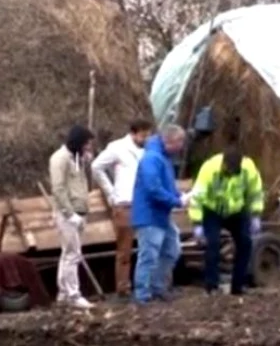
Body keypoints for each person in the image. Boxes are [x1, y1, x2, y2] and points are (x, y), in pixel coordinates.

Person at [188, 146, 264, 296]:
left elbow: (255, 193)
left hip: (236, 210)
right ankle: (211, 286)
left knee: (245, 242)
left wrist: (255, 214)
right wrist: (197, 223)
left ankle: (238, 285)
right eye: (228, 170)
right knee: (213, 244)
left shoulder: (248, 169)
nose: (230, 173)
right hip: (213, 210)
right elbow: (197, 198)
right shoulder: (210, 169)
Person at [91, 119, 153, 299]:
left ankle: (144, 285)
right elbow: (97, 166)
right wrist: (111, 191)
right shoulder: (117, 147)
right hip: (125, 201)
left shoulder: (148, 150)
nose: (145, 139)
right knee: (124, 249)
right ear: (133, 133)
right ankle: (123, 287)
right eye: (142, 135)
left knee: (147, 245)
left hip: (144, 201)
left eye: (147, 135)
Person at [131, 124, 188, 305]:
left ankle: (157, 286)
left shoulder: (163, 158)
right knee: (148, 254)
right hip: (149, 214)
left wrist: (180, 195)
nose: (181, 147)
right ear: (169, 141)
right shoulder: (152, 158)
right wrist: (176, 201)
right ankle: (142, 294)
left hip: (161, 214)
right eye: (180, 142)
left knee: (172, 249)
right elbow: (153, 189)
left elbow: (166, 185)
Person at [49, 124, 96, 309]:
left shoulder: (77, 158)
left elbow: (78, 182)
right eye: (86, 144)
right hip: (69, 213)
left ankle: (63, 292)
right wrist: (69, 213)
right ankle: (73, 294)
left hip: (80, 210)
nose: (88, 147)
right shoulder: (59, 159)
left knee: (68, 253)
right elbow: (58, 188)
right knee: (73, 255)